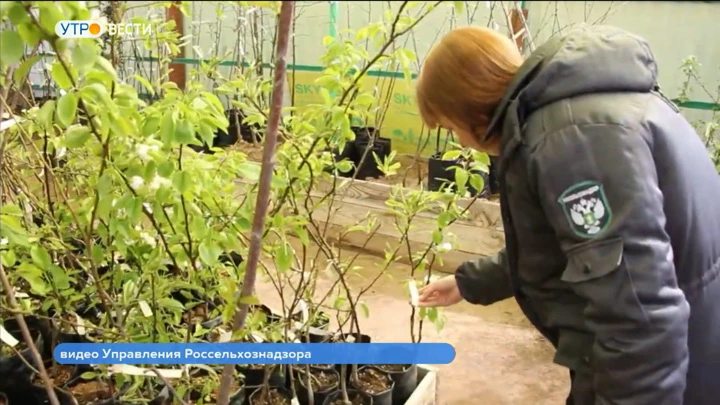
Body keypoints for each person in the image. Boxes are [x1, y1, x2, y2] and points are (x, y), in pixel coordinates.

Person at [415, 25, 720, 405]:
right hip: (689, 343)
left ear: (469, 106)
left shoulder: (572, 139)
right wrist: (468, 283)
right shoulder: (580, 114)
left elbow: (638, 316)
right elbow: (575, 249)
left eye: (451, 126)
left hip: (665, 373)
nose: (460, 141)